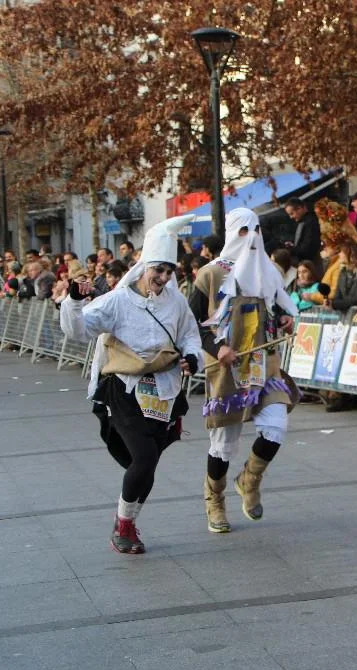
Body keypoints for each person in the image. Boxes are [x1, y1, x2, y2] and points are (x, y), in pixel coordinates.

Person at [60, 216, 202, 554]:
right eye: (158, 270)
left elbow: (190, 335)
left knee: (148, 463)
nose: (163, 278)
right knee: (144, 457)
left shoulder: (176, 301)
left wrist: (192, 357)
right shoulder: (118, 300)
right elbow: (77, 331)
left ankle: (127, 522)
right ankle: (123, 527)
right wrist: (74, 301)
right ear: (144, 267)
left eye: (169, 271)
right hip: (124, 388)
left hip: (164, 389)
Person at [190, 207, 298, 534]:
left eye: (256, 229)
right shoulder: (210, 274)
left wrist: (284, 319)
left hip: (265, 366)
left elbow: (276, 309)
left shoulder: (269, 271)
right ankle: (214, 499)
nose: (251, 237)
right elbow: (192, 323)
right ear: (231, 233)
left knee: (276, 426)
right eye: (242, 230)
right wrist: (217, 348)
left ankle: (249, 480)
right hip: (227, 369)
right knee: (223, 444)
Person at [284, 198, 321, 266]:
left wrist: (290, 249)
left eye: (292, 213)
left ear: (299, 208)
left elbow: (307, 249)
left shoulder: (311, 222)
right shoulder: (303, 221)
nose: (291, 217)